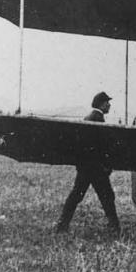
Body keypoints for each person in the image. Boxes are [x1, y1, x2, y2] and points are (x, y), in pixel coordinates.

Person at [55, 91, 121, 235]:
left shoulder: (89, 118)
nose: (109, 105)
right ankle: (115, 227)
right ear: (101, 104)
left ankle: (62, 225)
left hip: (86, 167)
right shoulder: (96, 119)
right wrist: (105, 165)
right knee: (107, 196)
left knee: (77, 196)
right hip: (96, 168)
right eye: (107, 102)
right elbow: (100, 146)